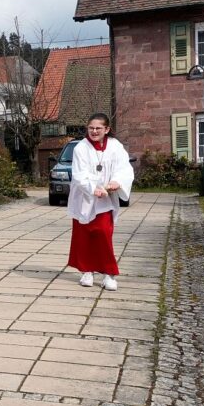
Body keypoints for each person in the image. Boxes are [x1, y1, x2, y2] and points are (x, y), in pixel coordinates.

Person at [67, 112, 134, 291]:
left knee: (103, 234)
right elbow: (79, 174)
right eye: (91, 128)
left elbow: (124, 168)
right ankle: (87, 271)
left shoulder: (115, 146)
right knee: (83, 236)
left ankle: (108, 274)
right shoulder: (80, 148)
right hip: (85, 198)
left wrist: (116, 182)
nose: (94, 131)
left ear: (107, 129)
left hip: (106, 199)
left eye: (98, 128)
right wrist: (92, 188)